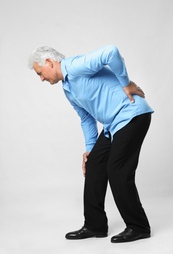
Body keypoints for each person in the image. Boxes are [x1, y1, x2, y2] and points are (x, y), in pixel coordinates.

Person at [28, 44, 154, 243]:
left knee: (117, 170)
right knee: (94, 164)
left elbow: (111, 52)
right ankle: (95, 225)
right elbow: (86, 119)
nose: (41, 78)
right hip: (114, 124)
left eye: (40, 73)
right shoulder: (68, 89)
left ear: (50, 63)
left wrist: (126, 83)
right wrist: (90, 150)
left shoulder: (76, 66)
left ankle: (139, 227)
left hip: (131, 114)